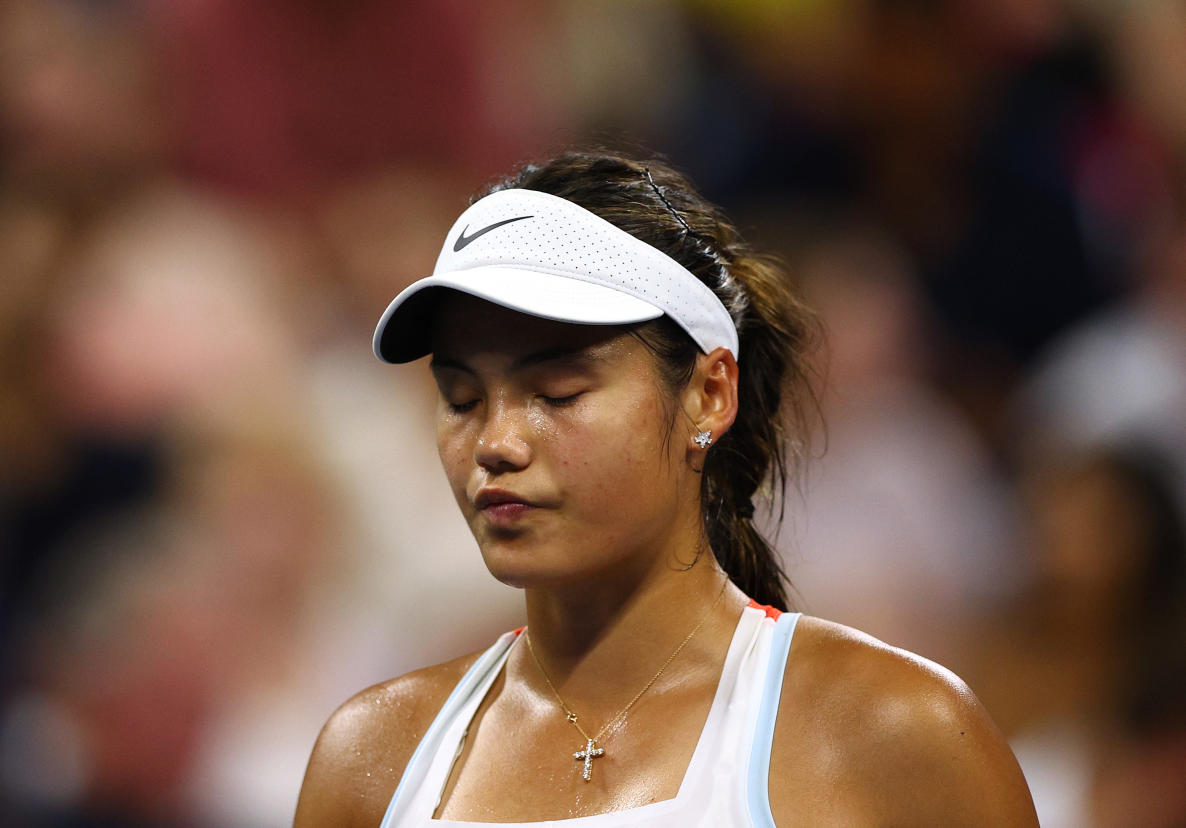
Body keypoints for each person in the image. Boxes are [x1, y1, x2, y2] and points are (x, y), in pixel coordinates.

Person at [293, 151, 1039, 826]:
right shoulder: (371, 760)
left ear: (710, 393)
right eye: (460, 399)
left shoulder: (898, 733)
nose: (494, 443)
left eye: (556, 392)